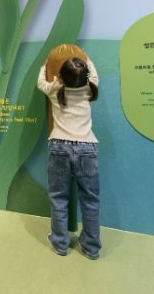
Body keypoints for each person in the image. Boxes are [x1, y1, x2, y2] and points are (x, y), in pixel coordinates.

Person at [37, 55, 101, 259]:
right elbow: (94, 75)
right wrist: (87, 59)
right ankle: (91, 248)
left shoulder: (55, 89)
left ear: (61, 77)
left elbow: (40, 83)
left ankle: (60, 244)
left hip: (59, 147)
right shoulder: (90, 89)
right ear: (85, 77)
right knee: (90, 200)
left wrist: (44, 67)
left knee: (58, 198)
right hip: (87, 148)